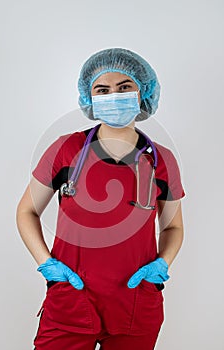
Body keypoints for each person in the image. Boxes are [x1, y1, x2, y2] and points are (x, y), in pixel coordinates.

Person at [16, 48, 185, 350]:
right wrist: (48, 266)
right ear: (89, 97)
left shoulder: (162, 160)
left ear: (142, 92)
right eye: (102, 90)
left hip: (135, 303)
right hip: (69, 298)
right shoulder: (66, 150)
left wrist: (161, 264)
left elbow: (173, 228)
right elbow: (27, 211)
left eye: (124, 88)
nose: (114, 96)